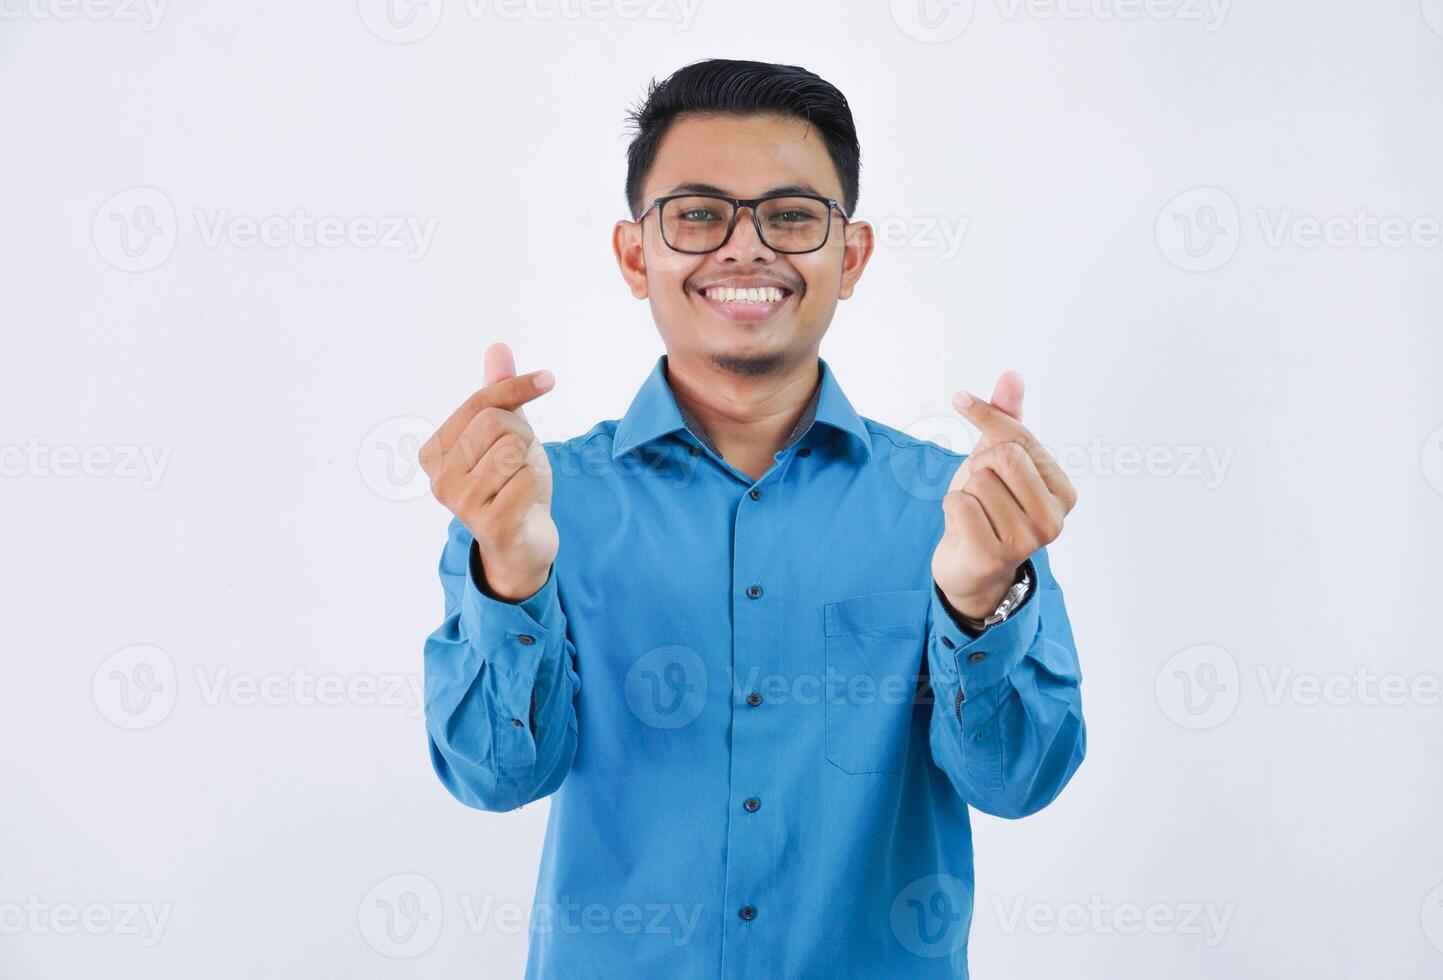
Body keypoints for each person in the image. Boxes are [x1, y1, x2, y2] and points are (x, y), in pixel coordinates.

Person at [418, 58, 1085, 980]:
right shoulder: (529, 501)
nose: (745, 248)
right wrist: (514, 575)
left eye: (792, 215)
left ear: (848, 257)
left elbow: (1019, 781)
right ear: (634, 253)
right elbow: (494, 778)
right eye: (697, 213)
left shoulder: (961, 507)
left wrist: (980, 603)